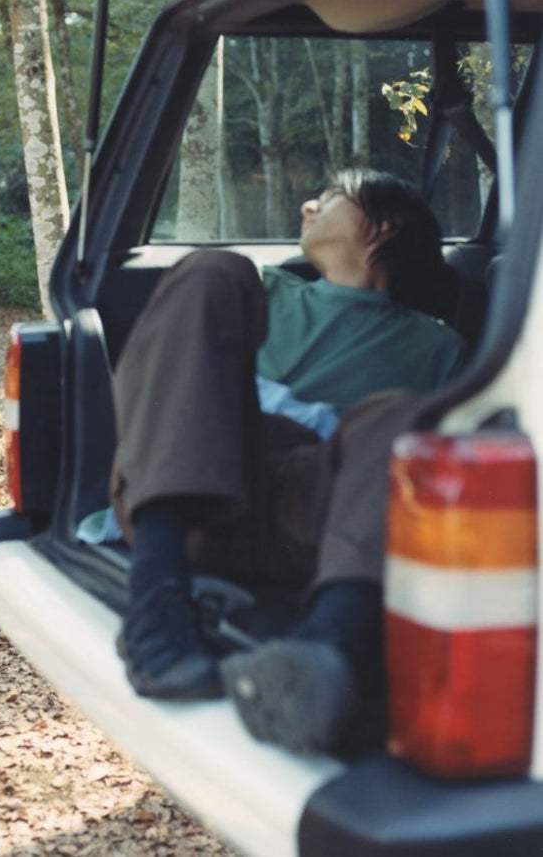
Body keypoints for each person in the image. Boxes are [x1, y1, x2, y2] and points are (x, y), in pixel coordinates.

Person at [110, 169, 468, 752]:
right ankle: (155, 608)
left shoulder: (439, 348)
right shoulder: (266, 291)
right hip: (199, 499)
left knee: (402, 414)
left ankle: (326, 654)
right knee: (210, 269)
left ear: (382, 228)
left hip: (320, 524)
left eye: (331, 198)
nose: (309, 204)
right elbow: (180, 386)